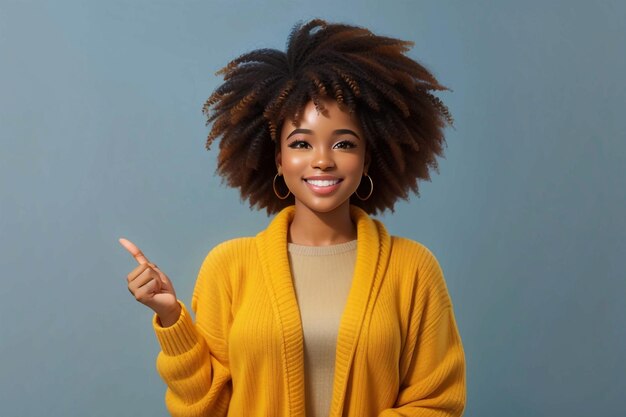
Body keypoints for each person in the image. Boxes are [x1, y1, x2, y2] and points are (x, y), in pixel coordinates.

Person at [120, 19, 466, 417]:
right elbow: (207, 408)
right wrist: (172, 318)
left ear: (367, 158)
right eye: (301, 143)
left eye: (344, 143)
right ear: (279, 160)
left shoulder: (413, 269)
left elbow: (438, 402)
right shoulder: (228, 268)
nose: (322, 159)